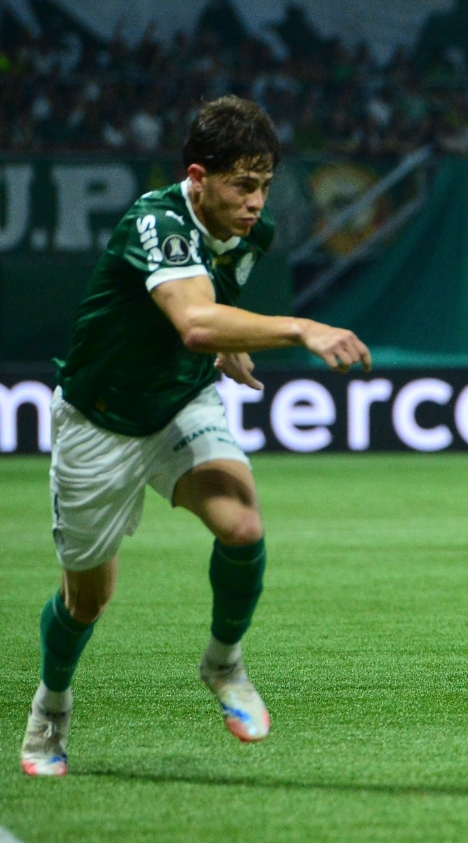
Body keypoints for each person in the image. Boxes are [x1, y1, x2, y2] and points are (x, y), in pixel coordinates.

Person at [20, 96, 372, 777]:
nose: (255, 201)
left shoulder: (249, 232)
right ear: (198, 177)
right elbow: (195, 321)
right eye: (243, 185)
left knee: (241, 525)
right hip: (100, 419)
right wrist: (298, 328)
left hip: (180, 402)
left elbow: (208, 313)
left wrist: (218, 343)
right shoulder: (155, 222)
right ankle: (52, 702)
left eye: (265, 184)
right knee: (87, 598)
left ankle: (223, 662)